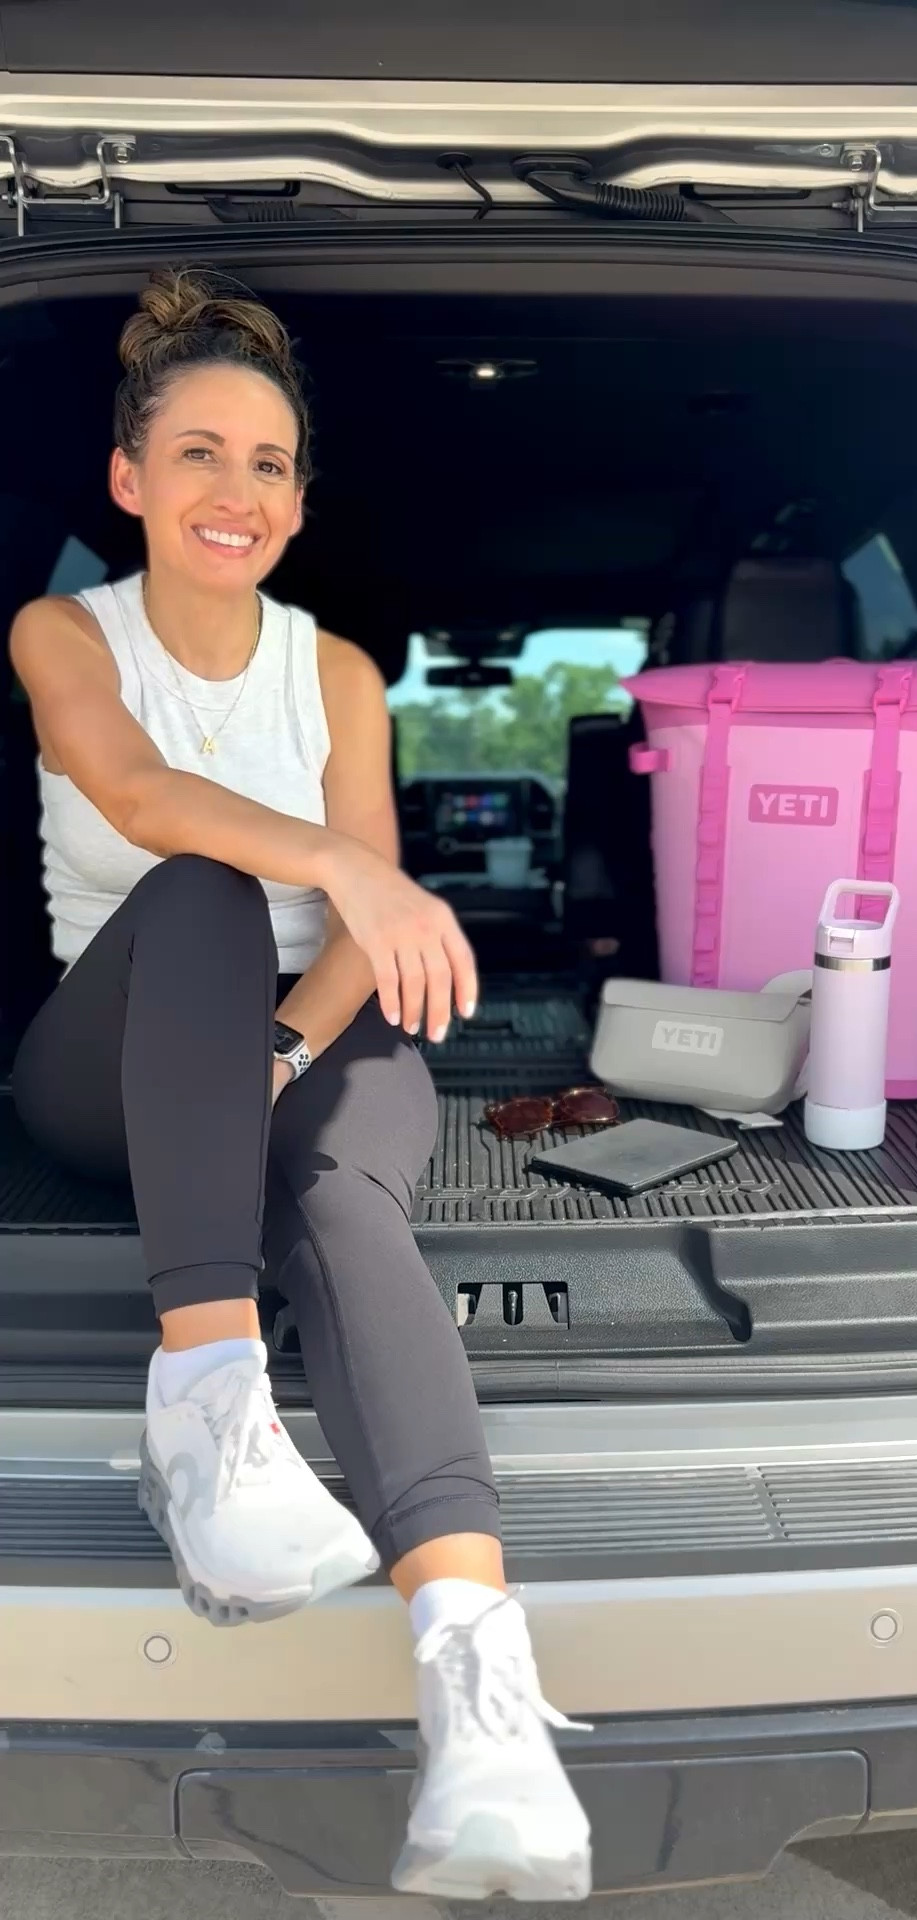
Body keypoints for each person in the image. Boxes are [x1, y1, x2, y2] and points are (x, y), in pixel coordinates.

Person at [9, 267, 591, 1903]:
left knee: (341, 1204)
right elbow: (130, 791)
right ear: (130, 479)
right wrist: (342, 864)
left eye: (267, 465)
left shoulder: (332, 671)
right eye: (198, 453)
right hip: (113, 1052)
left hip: (312, 1034)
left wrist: (274, 1055)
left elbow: (365, 933)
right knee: (192, 881)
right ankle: (208, 1426)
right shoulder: (66, 629)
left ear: (297, 501)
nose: (234, 492)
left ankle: (482, 1703)